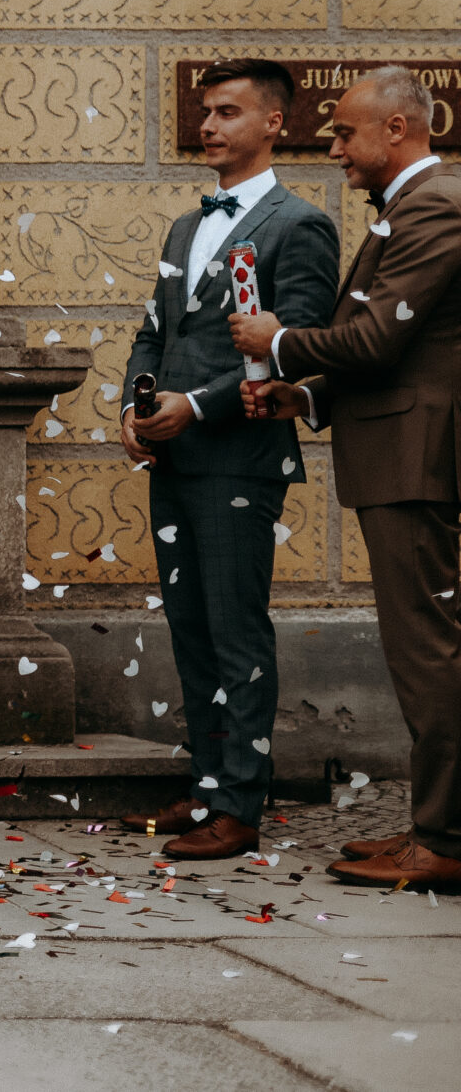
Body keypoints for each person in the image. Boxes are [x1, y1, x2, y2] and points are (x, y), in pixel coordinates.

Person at [233, 65, 461, 893]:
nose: (333, 148)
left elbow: (374, 341)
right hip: (401, 452)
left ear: (398, 128)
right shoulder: (413, 203)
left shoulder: (435, 202)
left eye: (344, 132)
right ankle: (436, 821)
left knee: (428, 651)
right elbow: (393, 352)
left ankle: (447, 835)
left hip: (415, 459)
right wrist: (306, 397)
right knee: (424, 648)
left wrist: (277, 341)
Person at [110, 59, 337, 859]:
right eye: (206, 111)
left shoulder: (298, 224)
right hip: (173, 458)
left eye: (228, 111)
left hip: (240, 456)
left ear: (274, 122)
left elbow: (297, 345)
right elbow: (154, 330)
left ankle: (239, 805)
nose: (207, 125)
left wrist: (197, 406)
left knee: (236, 628)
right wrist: (135, 408)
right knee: (191, 628)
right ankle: (207, 786)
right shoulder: (184, 227)